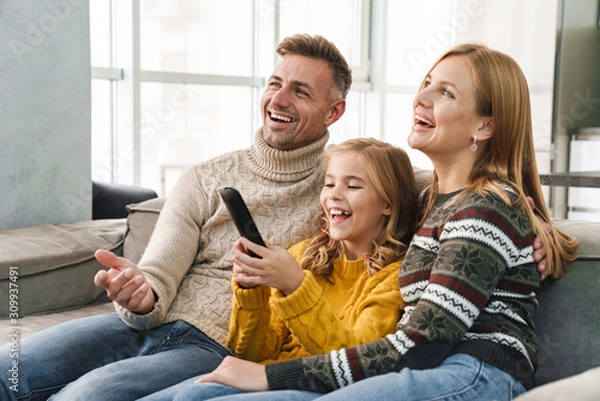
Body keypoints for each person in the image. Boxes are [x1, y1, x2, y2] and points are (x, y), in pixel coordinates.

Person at [185, 43, 580, 401]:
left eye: (445, 92)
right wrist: (537, 220)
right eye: (426, 83)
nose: (421, 97)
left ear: (485, 126)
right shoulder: (433, 201)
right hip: (426, 366)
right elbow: (386, 186)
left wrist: (273, 375)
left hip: (474, 370)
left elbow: (423, 344)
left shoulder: (484, 208)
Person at [0, 33, 356, 401]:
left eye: (300, 91)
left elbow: (394, 185)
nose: (278, 100)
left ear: (334, 111)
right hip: (148, 324)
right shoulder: (205, 177)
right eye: (274, 83)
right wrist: (141, 294)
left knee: (85, 397)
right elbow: (157, 274)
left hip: (219, 348)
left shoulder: (342, 189)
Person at [139, 137, 419, 400]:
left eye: (353, 186)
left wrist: (296, 287)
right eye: (329, 184)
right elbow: (250, 353)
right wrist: (251, 292)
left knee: (193, 396)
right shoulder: (305, 255)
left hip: (315, 388)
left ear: (387, 204)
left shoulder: (393, 278)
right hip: (262, 375)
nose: (334, 195)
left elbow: (355, 364)